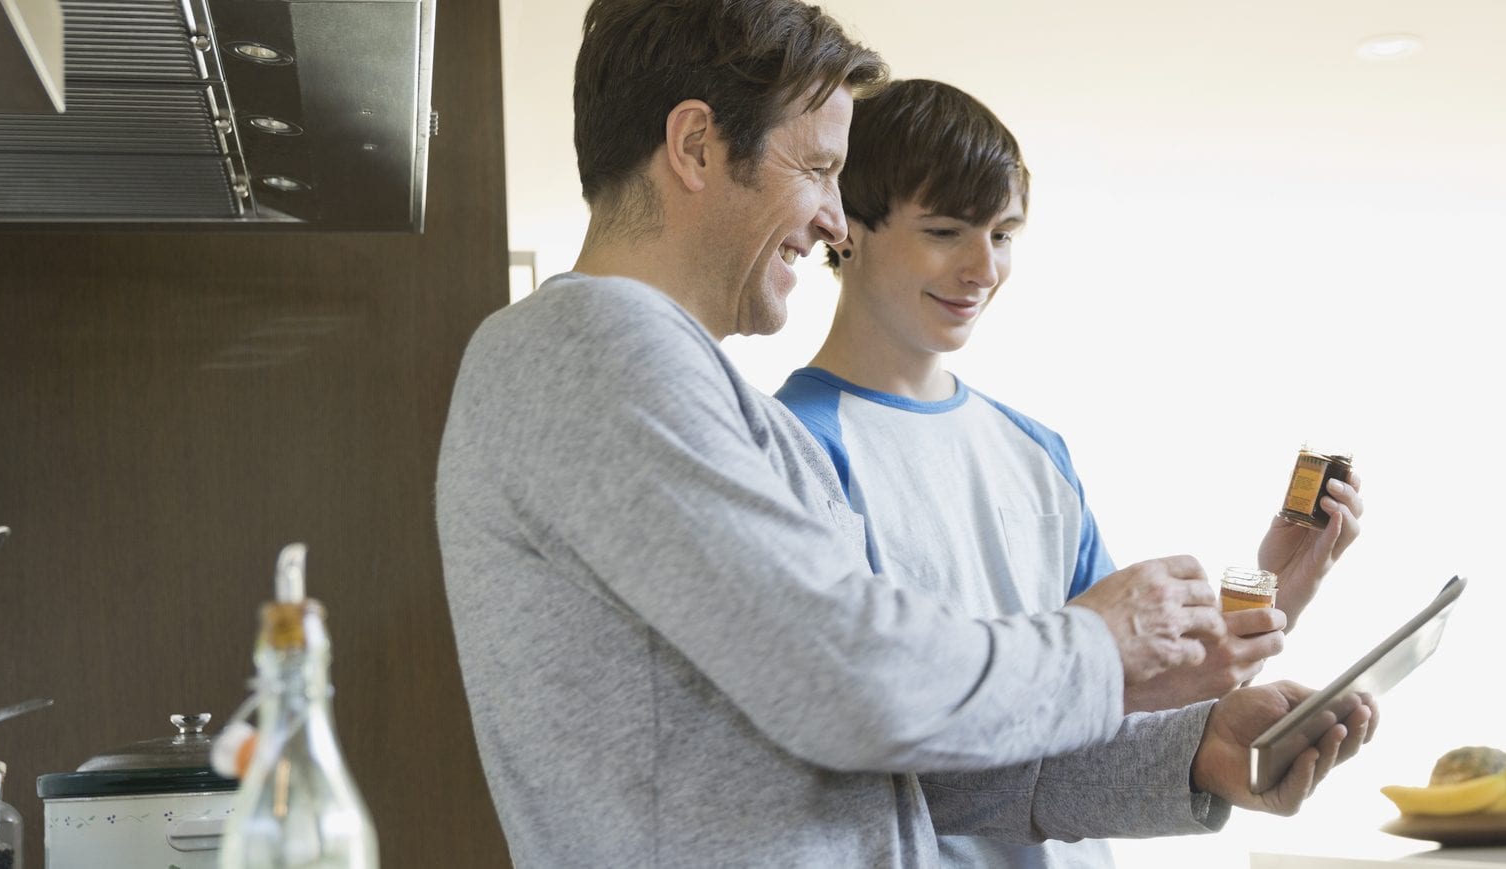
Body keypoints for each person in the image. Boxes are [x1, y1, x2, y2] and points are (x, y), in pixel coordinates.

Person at [435, 2, 1374, 865]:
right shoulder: (595, 344)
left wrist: (1195, 752)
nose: (833, 219)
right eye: (817, 169)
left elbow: (897, 765)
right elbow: (855, 681)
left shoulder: (723, 406)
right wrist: (1098, 643)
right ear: (695, 145)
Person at [774, 79, 1368, 868]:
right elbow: (859, 738)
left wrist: (1268, 593)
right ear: (844, 228)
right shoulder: (795, 448)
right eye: (947, 230)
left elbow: (1118, 695)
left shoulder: (1034, 449)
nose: (982, 268)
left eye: (1004, 234)